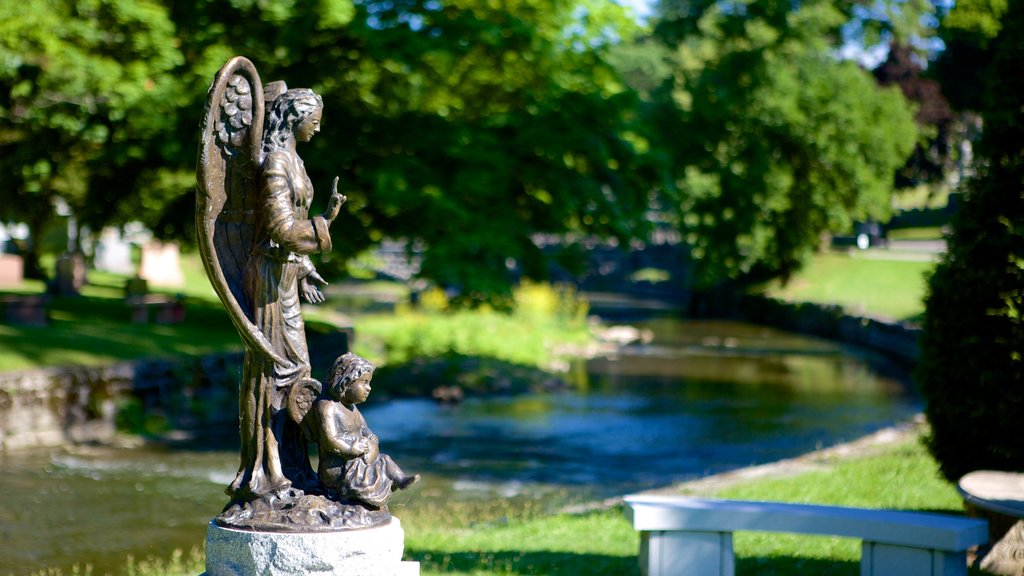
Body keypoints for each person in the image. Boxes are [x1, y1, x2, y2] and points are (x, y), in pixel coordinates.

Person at [228, 86, 346, 502]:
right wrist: (323, 228)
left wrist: (306, 266)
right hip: (268, 281)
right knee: (274, 370)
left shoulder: (292, 159)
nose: (319, 124)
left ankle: (294, 468)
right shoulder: (276, 162)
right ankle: (266, 472)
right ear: (296, 116)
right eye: (315, 116)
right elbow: (278, 228)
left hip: (285, 275)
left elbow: (288, 229)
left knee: (295, 370)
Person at [314, 353, 419, 509]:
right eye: (364, 383)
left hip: (357, 460)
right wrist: (350, 449)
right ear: (346, 382)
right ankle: (360, 495)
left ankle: (400, 480)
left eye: (369, 383)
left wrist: (370, 436)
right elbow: (329, 439)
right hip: (337, 467)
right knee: (370, 467)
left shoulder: (352, 407)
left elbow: (363, 427)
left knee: (384, 460)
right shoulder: (328, 407)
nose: (368, 388)